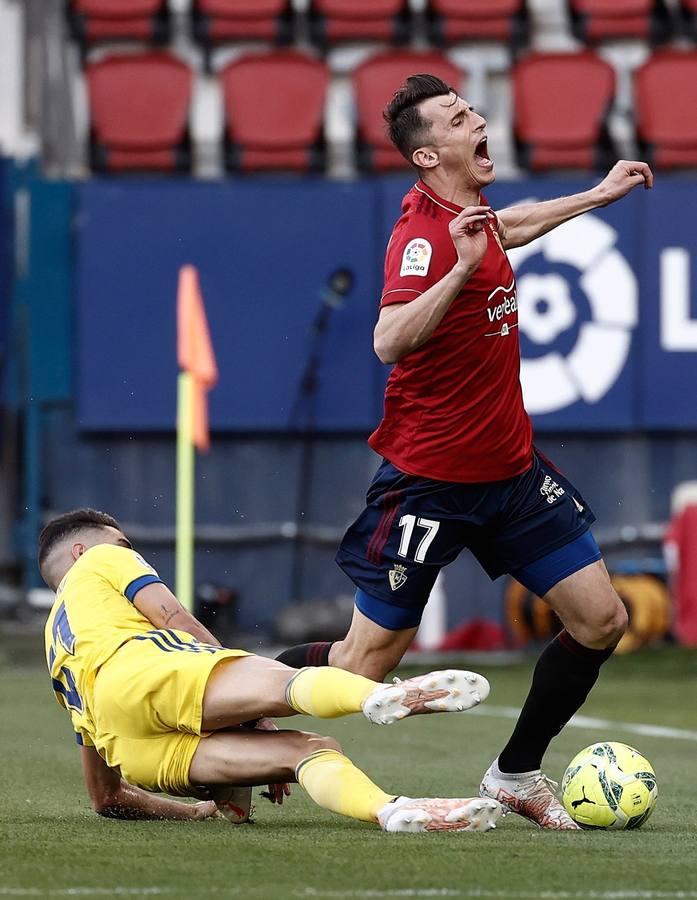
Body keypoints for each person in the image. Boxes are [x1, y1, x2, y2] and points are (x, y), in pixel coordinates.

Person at [277, 74, 655, 830]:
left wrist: (595, 196)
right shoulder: (422, 238)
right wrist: (453, 270)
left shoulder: (467, 213)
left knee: (600, 619)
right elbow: (387, 339)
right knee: (364, 666)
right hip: (430, 483)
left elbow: (504, 229)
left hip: (510, 473)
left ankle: (515, 773)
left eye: (471, 109)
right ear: (426, 154)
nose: (478, 120)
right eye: (458, 118)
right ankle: (228, 700)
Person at [39, 507, 503, 834]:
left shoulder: (56, 641)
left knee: (311, 751)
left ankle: (391, 811)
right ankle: (372, 698)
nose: (130, 548)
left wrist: (193, 813)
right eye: (124, 542)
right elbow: (177, 620)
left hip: (131, 746)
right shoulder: (102, 558)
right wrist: (252, 714)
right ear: (81, 551)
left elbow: (106, 797)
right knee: (289, 688)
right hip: (146, 670)